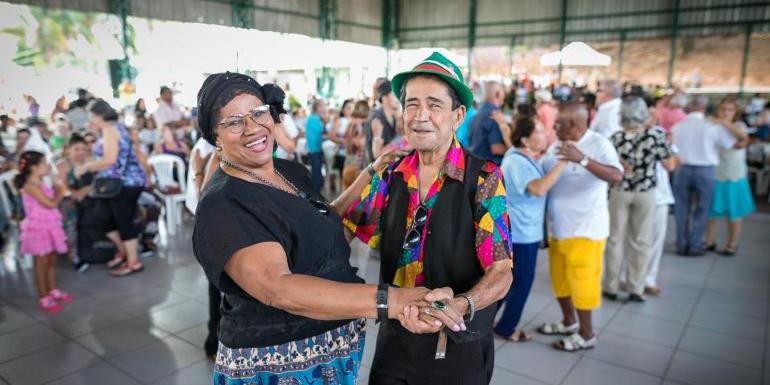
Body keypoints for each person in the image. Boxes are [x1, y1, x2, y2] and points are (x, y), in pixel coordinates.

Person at [193, 71, 438, 384]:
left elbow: (324, 224)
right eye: (234, 121)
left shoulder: (287, 171)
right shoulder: (223, 202)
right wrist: (392, 300)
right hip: (277, 368)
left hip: (330, 355)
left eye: (257, 113)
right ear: (214, 136)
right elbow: (277, 288)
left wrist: (371, 172)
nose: (253, 128)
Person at [344, 52, 513, 384]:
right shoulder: (391, 173)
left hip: (454, 344)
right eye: (411, 104)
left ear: (458, 115)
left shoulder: (483, 179)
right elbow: (342, 231)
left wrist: (462, 304)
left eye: (435, 105)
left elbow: (501, 270)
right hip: (395, 340)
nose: (421, 116)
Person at [538, 102, 623, 352]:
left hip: (586, 230)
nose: (553, 127)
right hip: (558, 229)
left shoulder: (599, 143)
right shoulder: (556, 145)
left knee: (582, 284)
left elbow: (617, 176)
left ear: (574, 124)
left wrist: (583, 160)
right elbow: (543, 171)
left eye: (558, 123)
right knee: (560, 280)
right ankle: (568, 322)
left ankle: (587, 335)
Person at [494, 116, 566, 342]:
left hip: (522, 231)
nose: (546, 136)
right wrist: (564, 163)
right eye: (540, 132)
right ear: (525, 139)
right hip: (521, 235)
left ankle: (489, 323)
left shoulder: (521, 157)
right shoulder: (516, 161)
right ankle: (505, 328)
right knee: (520, 284)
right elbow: (537, 188)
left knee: (508, 282)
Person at [603, 96, 676, 303]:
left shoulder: (615, 138)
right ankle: (636, 287)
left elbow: (610, 164)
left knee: (615, 239)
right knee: (641, 240)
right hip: (645, 191)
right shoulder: (655, 137)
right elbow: (670, 165)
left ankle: (611, 286)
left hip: (619, 190)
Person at [75, 99, 147, 276]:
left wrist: (86, 167)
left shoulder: (109, 129)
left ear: (100, 115)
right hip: (121, 182)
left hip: (124, 183)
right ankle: (123, 252)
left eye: (92, 115)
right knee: (104, 217)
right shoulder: (113, 128)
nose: (90, 119)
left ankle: (133, 262)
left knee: (123, 221)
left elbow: (109, 160)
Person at [671, 95, 743, 256]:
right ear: (705, 108)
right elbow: (731, 144)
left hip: (681, 169)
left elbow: (672, 149)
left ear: (689, 108)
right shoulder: (712, 126)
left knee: (682, 208)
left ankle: (682, 244)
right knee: (702, 209)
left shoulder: (678, 127)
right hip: (705, 170)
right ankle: (695, 245)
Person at [14, 151, 72, 312]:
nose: (47, 166)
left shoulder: (40, 182)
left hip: (50, 225)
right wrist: (60, 192)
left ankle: (52, 289)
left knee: (51, 260)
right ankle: (43, 296)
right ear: (33, 167)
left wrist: (57, 185)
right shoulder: (30, 186)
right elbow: (50, 204)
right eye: (44, 163)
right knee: (41, 262)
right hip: (38, 228)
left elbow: (50, 198)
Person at [704, 98, 753, 256]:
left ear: (735, 112)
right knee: (711, 212)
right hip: (716, 173)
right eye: (723, 109)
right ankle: (709, 241)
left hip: (734, 175)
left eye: (730, 109)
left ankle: (732, 243)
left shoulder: (739, 126)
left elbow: (742, 140)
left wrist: (723, 123)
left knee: (734, 213)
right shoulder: (711, 126)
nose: (726, 113)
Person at [56, 134, 93, 271]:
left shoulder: (90, 162)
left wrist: (84, 192)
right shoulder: (63, 165)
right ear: (68, 150)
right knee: (69, 211)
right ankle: (74, 255)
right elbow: (62, 186)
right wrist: (76, 194)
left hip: (88, 196)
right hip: (67, 198)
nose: (80, 152)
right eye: (76, 149)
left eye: (83, 149)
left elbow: (96, 181)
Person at [468, 81, 511, 165]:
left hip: (476, 166)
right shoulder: (494, 115)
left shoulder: (477, 114)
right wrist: (514, 150)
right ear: (497, 94)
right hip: (490, 170)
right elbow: (496, 148)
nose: (505, 95)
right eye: (503, 92)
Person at [365, 80, 400, 162]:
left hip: (388, 168)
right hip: (375, 171)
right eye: (395, 95)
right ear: (384, 98)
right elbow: (376, 154)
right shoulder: (377, 118)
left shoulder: (393, 117)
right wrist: (402, 142)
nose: (399, 98)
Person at [341, 100, 370, 189]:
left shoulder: (352, 122)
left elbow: (347, 140)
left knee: (348, 190)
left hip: (351, 159)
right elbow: (358, 143)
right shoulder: (361, 123)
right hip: (356, 161)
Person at [305, 98, 326, 192]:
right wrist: (325, 121)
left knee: (317, 172)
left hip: (315, 149)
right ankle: (316, 194)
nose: (324, 108)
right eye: (322, 106)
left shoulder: (312, 118)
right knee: (316, 173)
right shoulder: (314, 118)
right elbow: (322, 132)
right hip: (315, 150)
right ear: (317, 107)